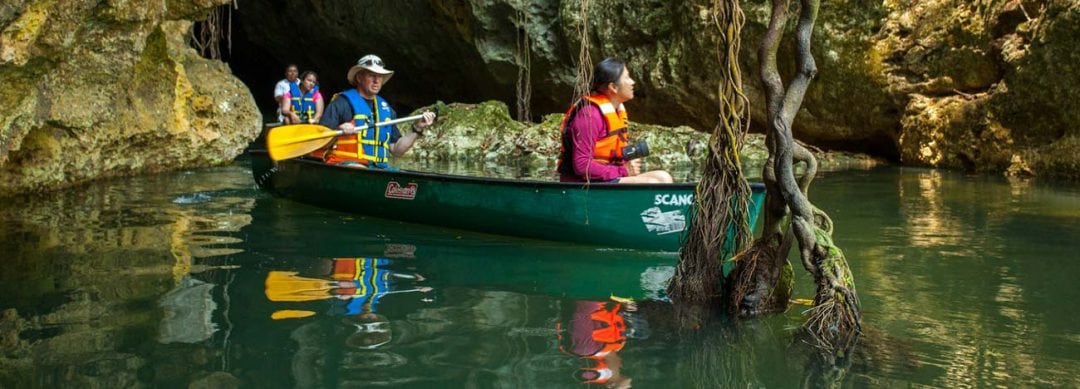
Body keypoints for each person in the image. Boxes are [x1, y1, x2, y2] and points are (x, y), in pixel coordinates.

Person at [557, 57, 673, 184]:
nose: (632, 82)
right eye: (627, 78)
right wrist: (623, 171)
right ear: (613, 87)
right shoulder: (589, 116)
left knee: (663, 177)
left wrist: (625, 165)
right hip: (583, 184)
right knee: (651, 183)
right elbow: (582, 166)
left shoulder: (617, 110)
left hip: (606, 178)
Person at [316, 54, 436, 169]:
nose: (376, 80)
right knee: (362, 171)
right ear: (359, 78)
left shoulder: (387, 110)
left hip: (378, 168)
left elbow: (397, 150)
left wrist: (418, 128)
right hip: (346, 164)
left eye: (379, 76)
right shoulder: (341, 104)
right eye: (371, 75)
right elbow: (320, 142)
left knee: (397, 175)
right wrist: (338, 131)